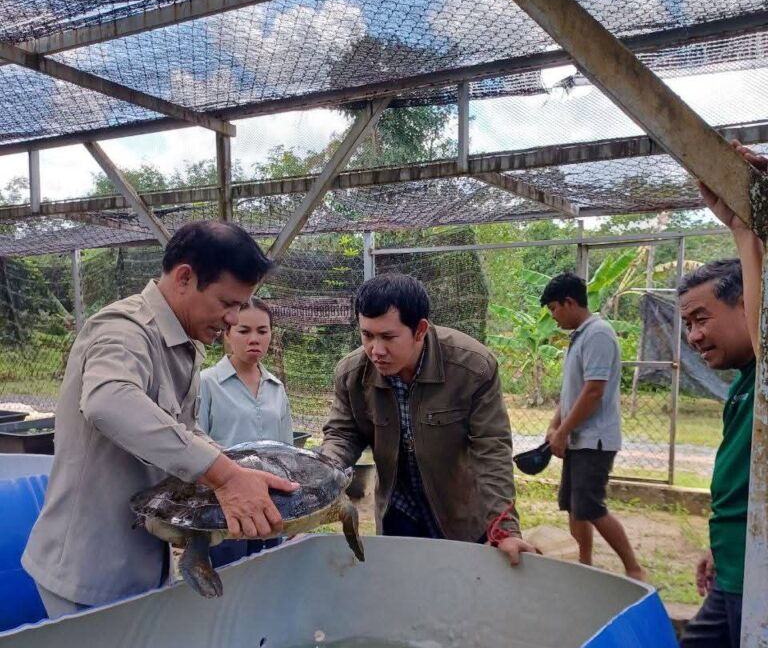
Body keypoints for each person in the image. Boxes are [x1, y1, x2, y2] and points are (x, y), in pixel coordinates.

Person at [22, 221, 297, 617]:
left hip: (146, 558)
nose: (232, 318)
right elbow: (109, 401)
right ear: (185, 277)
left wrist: (241, 471)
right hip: (91, 567)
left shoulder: (185, 346)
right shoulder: (123, 330)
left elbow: (183, 433)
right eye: (227, 302)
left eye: (240, 305)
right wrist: (223, 475)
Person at [320, 273, 537, 564]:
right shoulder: (351, 374)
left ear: (420, 330)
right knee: (404, 586)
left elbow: (492, 450)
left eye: (388, 337)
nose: (376, 350)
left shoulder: (473, 368)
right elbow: (342, 434)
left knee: (461, 585)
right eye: (367, 335)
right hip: (398, 512)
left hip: (459, 515)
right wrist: (322, 477)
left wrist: (504, 528)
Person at [676, 142, 764, 648]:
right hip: (733, 571)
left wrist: (745, 229)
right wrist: (715, 544)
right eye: (686, 324)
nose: (694, 336)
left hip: (757, 583)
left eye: (703, 318)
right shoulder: (744, 389)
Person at [540, 272, 644, 580]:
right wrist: (555, 426)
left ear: (570, 302)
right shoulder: (580, 336)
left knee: (590, 505)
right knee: (574, 506)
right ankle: (583, 565)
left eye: (554, 309)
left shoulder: (598, 334)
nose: (553, 317)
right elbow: (572, 393)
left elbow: (594, 391)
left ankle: (634, 569)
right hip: (578, 438)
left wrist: (563, 431)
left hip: (594, 439)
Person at [198, 297, 293, 568]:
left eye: (262, 331)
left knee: (268, 575)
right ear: (227, 334)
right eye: (244, 330)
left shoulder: (276, 388)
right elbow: (194, 447)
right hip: (223, 509)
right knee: (228, 578)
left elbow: (288, 453)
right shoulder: (206, 384)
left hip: (271, 507)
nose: (254, 339)